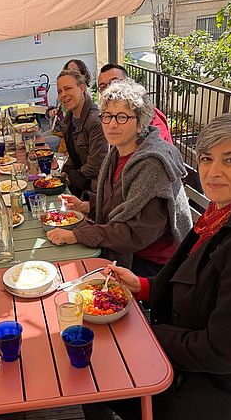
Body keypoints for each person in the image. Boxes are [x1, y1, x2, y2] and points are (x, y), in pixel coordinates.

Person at [68, 111, 231, 420]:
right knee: (91, 360)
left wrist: (146, 337)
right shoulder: (218, 213)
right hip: (180, 352)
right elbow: (192, 284)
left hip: (209, 390)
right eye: (206, 158)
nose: (212, 170)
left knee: (93, 367)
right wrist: (142, 287)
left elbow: (220, 352)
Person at [48, 79, 192, 277]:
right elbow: (122, 205)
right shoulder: (117, 152)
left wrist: (76, 235)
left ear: (140, 123)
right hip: (126, 248)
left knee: (69, 274)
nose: (112, 124)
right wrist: (87, 206)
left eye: (122, 117)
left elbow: (136, 233)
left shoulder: (152, 164)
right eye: (107, 116)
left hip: (152, 266)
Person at [56, 70, 108, 195]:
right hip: (78, 182)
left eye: (68, 88)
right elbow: (75, 155)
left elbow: (96, 166)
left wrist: (71, 177)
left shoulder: (95, 121)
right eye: (59, 91)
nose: (63, 94)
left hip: (92, 190)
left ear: (81, 88)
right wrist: (65, 172)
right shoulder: (69, 119)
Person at [97, 63, 173, 144]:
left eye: (115, 82)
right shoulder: (107, 119)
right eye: (103, 87)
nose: (109, 88)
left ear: (130, 83)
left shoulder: (152, 121)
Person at [44, 59, 93, 152]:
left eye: (74, 71)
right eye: (67, 70)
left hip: (67, 135)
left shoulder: (84, 96)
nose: (70, 73)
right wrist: (52, 112)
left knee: (36, 145)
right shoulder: (67, 93)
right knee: (35, 140)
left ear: (83, 73)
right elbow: (62, 110)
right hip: (59, 129)